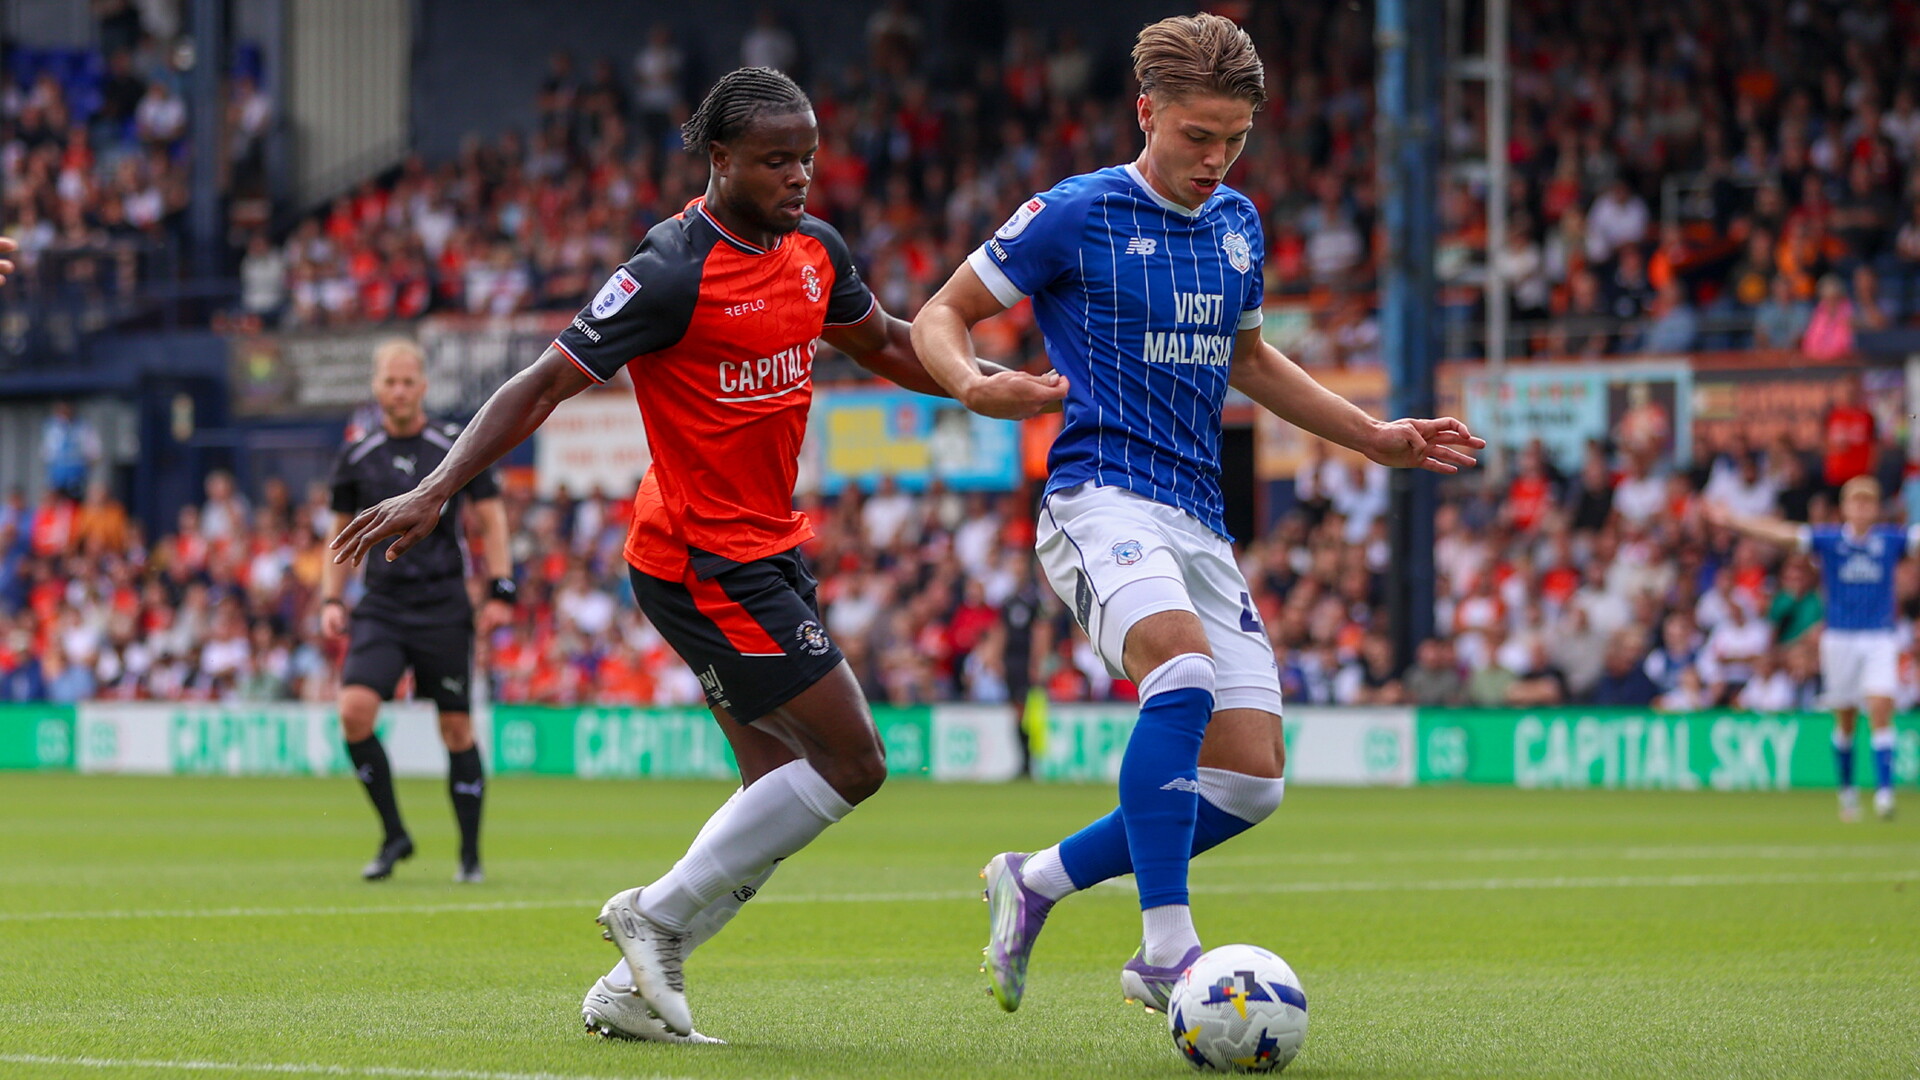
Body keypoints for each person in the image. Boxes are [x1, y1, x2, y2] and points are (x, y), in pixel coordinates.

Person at [331, 68, 1061, 1045]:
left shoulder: (814, 252)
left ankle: (631, 992)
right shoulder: (671, 268)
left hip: (761, 550)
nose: (800, 176)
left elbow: (881, 338)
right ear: (719, 160)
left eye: (807, 156)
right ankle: (656, 918)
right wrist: (435, 489)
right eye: (775, 160)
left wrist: (975, 384)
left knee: (774, 794)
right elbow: (543, 381)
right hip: (697, 559)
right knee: (854, 760)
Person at [910, 13, 1481, 1015]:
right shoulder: (1073, 213)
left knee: (1252, 779)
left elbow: (1251, 360)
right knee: (1179, 671)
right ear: (1147, 113)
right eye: (1197, 137)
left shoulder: (1237, 225)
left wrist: (1373, 436)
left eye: (1235, 140)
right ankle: (1164, 950)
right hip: (1098, 492)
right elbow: (939, 314)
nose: (1216, 160)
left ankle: (1034, 879)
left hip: (1198, 516)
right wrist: (972, 384)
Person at [319, 339, 515, 885]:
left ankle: (470, 856)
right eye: (390, 381)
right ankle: (393, 835)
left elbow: (492, 519)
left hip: (443, 603)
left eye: (408, 381)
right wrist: (332, 599)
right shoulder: (355, 457)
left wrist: (501, 590)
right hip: (381, 606)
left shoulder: (457, 447)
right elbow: (338, 536)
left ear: (423, 386)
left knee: (455, 726)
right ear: (376, 387)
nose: (399, 391)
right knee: (354, 713)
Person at [1709, 476, 1907, 821]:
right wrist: (1735, 519)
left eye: (1868, 503)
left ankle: (1885, 793)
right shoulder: (1829, 541)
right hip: (1841, 637)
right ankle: (1847, 791)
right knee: (1845, 718)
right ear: (1844, 508)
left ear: (1876, 509)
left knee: (1880, 706)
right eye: (1855, 502)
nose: (1861, 509)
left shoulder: (1890, 541)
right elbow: (1782, 533)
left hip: (1879, 636)